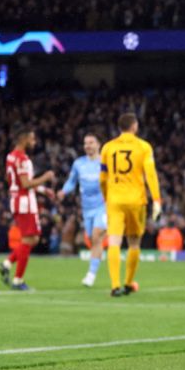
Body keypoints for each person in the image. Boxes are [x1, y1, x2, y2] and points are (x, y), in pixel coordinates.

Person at [99, 113, 162, 298]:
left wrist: (106, 197)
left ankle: (115, 285)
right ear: (134, 126)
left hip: (115, 200)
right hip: (136, 200)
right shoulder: (143, 147)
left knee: (114, 241)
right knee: (134, 242)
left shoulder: (108, 148)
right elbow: (150, 175)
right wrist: (157, 199)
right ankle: (128, 283)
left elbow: (102, 178)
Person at [0, 127, 55, 290]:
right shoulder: (23, 159)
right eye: (32, 139)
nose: (34, 142)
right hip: (25, 203)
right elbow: (26, 183)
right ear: (23, 139)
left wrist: (44, 191)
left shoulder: (11, 156)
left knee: (33, 239)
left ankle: (7, 263)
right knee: (28, 240)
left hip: (17, 201)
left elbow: (16, 181)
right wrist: (45, 178)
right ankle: (18, 280)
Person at [59, 133, 108, 288]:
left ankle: (91, 274)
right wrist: (63, 191)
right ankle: (99, 257)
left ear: (99, 144)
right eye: (86, 143)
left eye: (91, 142)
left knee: (96, 236)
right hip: (87, 209)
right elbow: (71, 182)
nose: (88, 146)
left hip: (103, 206)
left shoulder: (105, 163)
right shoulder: (78, 164)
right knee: (91, 239)